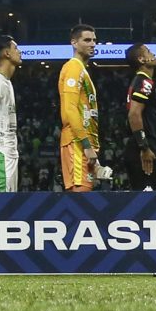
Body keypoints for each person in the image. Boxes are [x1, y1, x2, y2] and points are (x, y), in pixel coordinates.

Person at [56, 24, 100, 196]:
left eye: (94, 40)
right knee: (81, 198)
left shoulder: (82, 69)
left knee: (84, 195)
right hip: (77, 142)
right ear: (74, 43)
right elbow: (70, 108)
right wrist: (86, 145)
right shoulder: (73, 67)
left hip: (82, 142)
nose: (93, 44)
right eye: (87, 40)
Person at [122, 42, 156, 190]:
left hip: (143, 145)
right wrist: (144, 147)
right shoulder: (144, 81)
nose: (153, 54)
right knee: (146, 200)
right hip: (143, 148)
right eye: (149, 52)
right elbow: (134, 114)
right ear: (141, 60)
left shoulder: (141, 81)